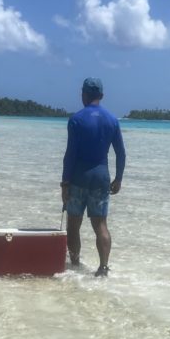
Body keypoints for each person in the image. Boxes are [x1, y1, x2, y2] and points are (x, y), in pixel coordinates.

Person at [60, 76, 126, 277]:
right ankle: (103, 267)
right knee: (100, 224)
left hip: (79, 176)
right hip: (101, 177)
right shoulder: (112, 120)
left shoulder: (76, 119)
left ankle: (75, 263)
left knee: (74, 223)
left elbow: (70, 154)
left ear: (84, 95)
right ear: (102, 96)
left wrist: (65, 183)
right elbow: (121, 153)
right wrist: (118, 178)